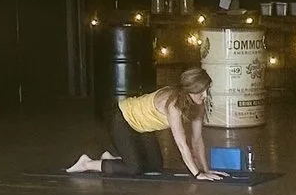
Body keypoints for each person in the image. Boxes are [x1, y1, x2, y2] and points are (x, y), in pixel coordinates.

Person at [64, 66, 222, 179]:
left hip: (144, 128)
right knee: (134, 168)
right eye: (201, 91)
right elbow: (181, 144)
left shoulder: (199, 103)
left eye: (207, 90)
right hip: (122, 119)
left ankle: (111, 158)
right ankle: (87, 164)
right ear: (190, 90)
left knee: (155, 166)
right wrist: (197, 174)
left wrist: (206, 170)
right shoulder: (173, 104)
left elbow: (197, 139)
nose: (205, 95)